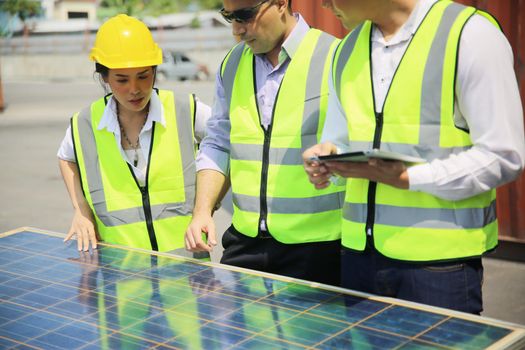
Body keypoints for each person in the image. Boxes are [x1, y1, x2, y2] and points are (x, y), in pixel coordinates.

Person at [303, 0, 525, 313]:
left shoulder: (470, 34)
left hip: (439, 269)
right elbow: (338, 139)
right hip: (357, 261)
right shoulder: (345, 50)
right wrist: (328, 157)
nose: (323, 3)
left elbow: (504, 155)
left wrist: (410, 178)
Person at [184, 0, 345, 285]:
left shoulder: (334, 56)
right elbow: (218, 143)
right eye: (228, 17)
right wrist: (202, 212)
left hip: (318, 248)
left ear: (281, 2)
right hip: (245, 244)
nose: (236, 30)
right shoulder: (232, 64)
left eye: (245, 15)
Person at [57, 14, 211, 254]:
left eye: (143, 76)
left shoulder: (187, 111)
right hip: (120, 280)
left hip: (187, 276)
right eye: (122, 79)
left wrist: (205, 208)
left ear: (155, 70)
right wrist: (81, 209)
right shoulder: (84, 124)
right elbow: (66, 157)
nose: (135, 89)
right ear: (104, 77)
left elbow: (223, 145)